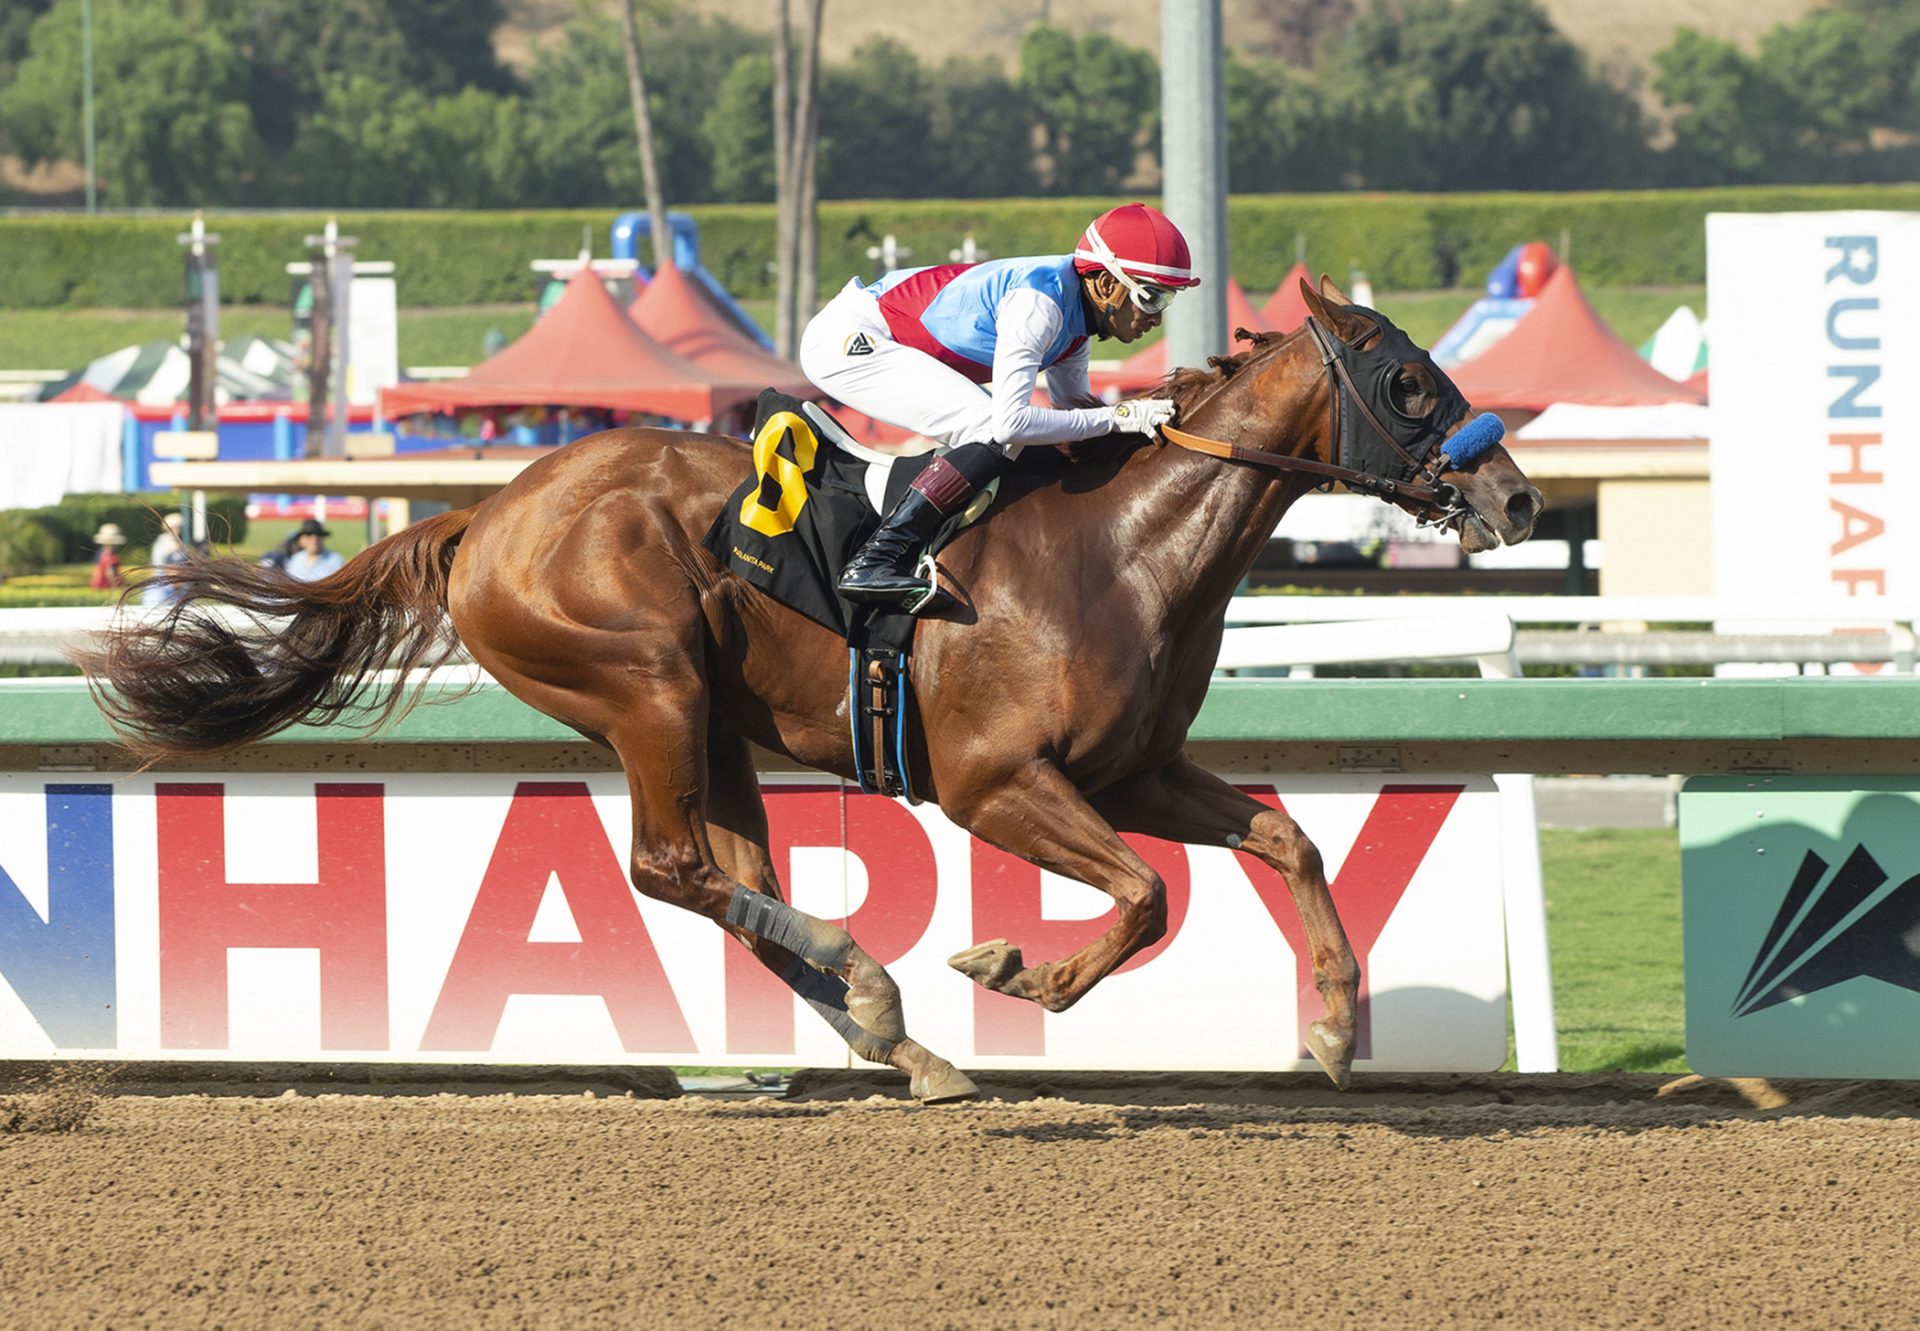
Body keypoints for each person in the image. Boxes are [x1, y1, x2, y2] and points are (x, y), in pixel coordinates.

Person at [799, 202, 1196, 606]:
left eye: (1166, 300)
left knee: (1016, 437)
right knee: (990, 427)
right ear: (1106, 284)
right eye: (1151, 297)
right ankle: (876, 559)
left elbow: (1076, 421)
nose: (1156, 318)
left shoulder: (1076, 331)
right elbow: (1010, 424)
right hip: (847, 340)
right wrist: (1122, 416)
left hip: (873, 335)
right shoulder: (1040, 305)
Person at [140, 513, 189, 607]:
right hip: (163, 578)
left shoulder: (178, 542)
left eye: (178, 527)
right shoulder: (163, 541)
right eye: (174, 527)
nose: (177, 530)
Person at [88, 523, 127, 590]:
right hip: (105, 586)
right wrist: (120, 585)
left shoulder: (101, 553)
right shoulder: (111, 557)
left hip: (97, 585)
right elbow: (111, 573)